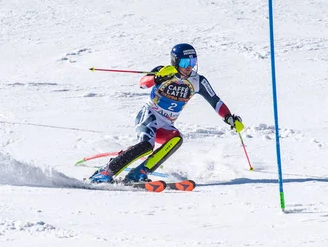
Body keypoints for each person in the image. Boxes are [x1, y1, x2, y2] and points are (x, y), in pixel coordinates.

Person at [89, 43, 244, 184]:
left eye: (193, 62)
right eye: (185, 63)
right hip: (149, 116)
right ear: (175, 61)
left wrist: (229, 118)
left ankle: (140, 172)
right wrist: (157, 77)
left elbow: (215, 101)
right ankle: (105, 172)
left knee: (176, 139)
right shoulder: (164, 71)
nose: (189, 67)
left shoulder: (198, 81)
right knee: (146, 146)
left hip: (166, 124)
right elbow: (143, 84)